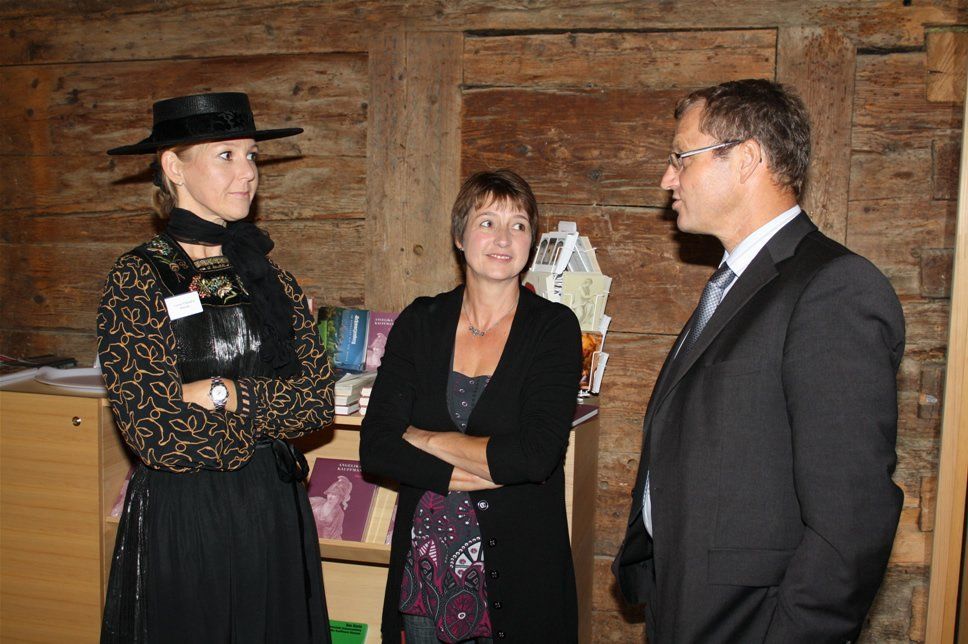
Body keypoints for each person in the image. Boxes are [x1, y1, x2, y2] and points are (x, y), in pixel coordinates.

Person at [613, 79, 905, 643]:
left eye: (681, 157)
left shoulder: (833, 288)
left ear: (746, 158)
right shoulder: (735, 282)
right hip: (686, 602)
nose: (668, 178)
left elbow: (852, 520)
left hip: (753, 620)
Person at [98, 92, 335, 643]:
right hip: (190, 513)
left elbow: (317, 402)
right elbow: (155, 431)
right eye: (226, 155)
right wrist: (261, 425)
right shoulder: (136, 278)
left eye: (251, 155)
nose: (247, 172)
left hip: (274, 505)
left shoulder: (269, 276)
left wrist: (220, 391)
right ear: (174, 166)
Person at [360, 170, 582, 643]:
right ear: (460, 237)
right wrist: (475, 466)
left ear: (531, 242)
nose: (503, 238)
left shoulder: (554, 328)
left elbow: (534, 457)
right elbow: (377, 447)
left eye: (518, 225)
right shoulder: (420, 321)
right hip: (427, 568)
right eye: (487, 223)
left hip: (521, 574)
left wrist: (421, 438)